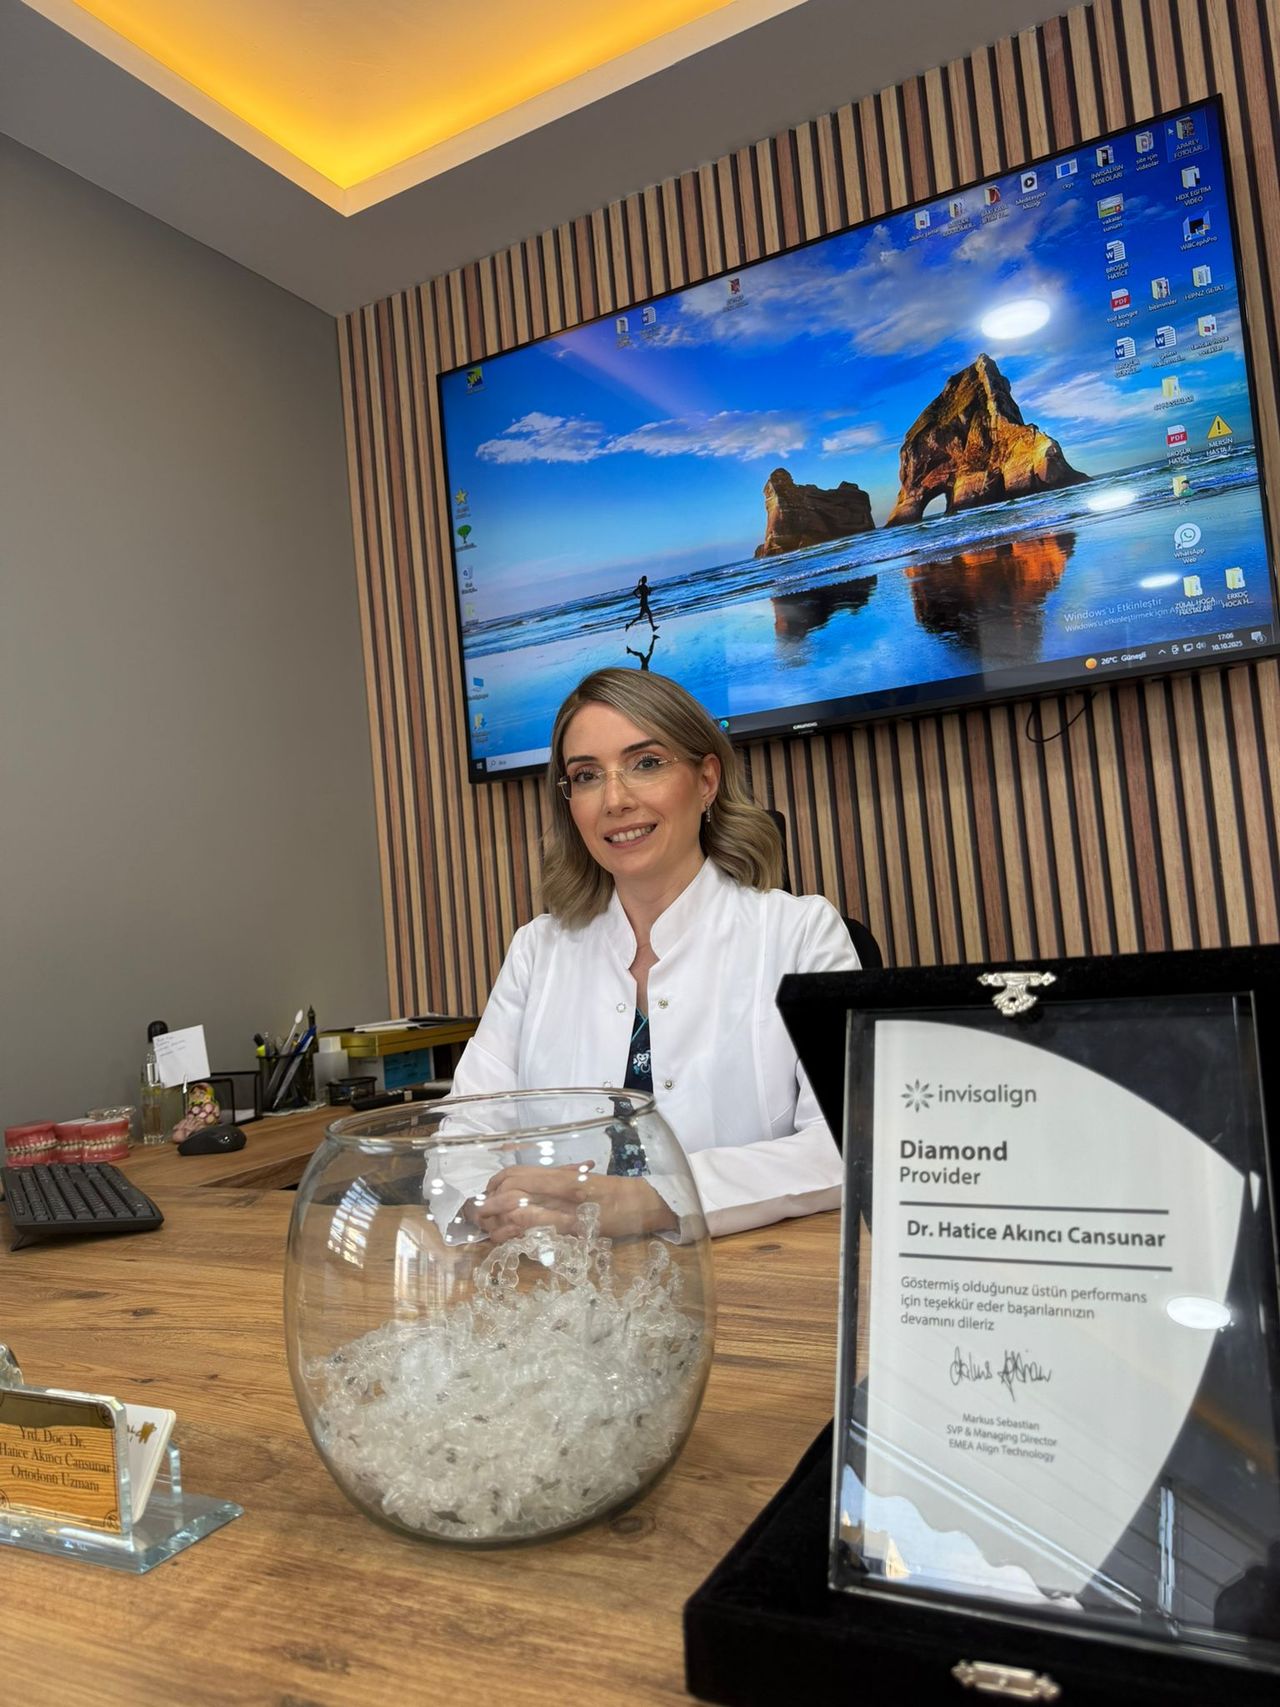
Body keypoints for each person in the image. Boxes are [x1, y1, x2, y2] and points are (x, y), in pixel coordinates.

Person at [437, 667, 859, 1244]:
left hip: (747, 1273)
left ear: (706, 780)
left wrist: (660, 1200)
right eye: (587, 776)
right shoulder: (537, 950)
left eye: (647, 763)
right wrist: (488, 1204)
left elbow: (845, 1142)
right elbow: (463, 1135)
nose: (615, 800)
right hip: (557, 1277)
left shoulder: (801, 933)